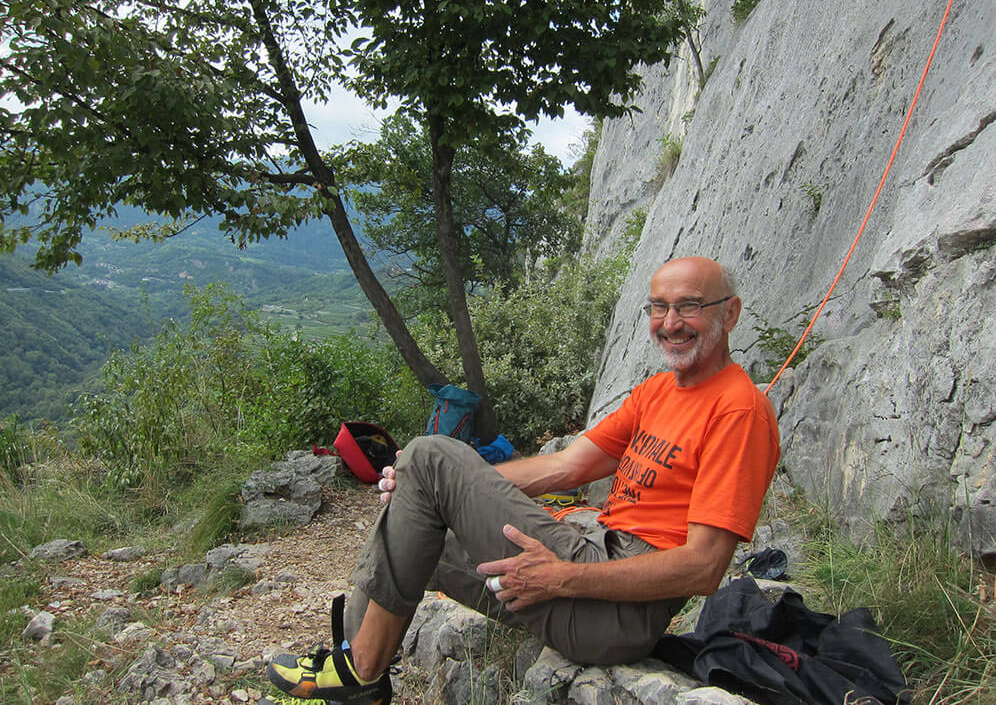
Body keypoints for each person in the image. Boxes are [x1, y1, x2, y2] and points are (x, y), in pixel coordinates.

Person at [267, 256, 781, 701]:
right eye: (658, 307)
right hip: (594, 564)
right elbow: (566, 466)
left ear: (729, 313)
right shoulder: (659, 392)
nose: (670, 323)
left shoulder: (738, 411)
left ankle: (358, 672)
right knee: (416, 524)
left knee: (426, 456)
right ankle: (357, 674)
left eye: (689, 306)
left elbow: (703, 568)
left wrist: (563, 576)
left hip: (616, 613)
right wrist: (454, 490)